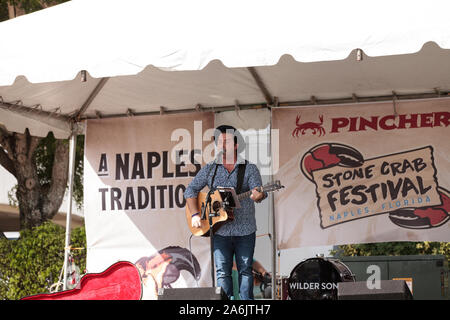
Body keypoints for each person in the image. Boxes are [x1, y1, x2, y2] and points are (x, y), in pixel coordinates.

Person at [184, 125, 267, 300]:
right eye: (219, 141)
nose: (222, 145)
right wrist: (194, 215)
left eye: (226, 141)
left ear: (236, 145)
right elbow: (190, 190)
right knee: (222, 272)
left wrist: (258, 194)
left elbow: (257, 193)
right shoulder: (210, 169)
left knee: (245, 270)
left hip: (245, 229)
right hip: (219, 230)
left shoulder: (249, 169)